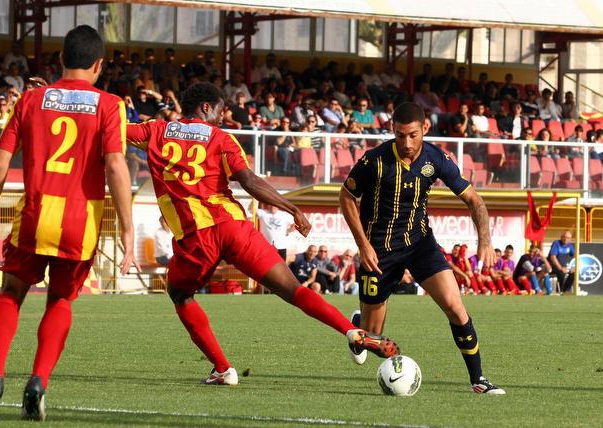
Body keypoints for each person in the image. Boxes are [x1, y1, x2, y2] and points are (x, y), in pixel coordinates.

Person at [126, 82, 398, 385]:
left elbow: (115, 130)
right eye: (220, 110)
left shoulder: (156, 130)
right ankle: (354, 332)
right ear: (205, 107)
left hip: (196, 237)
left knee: (180, 295)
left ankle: (222, 369)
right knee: (293, 289)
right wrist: (291, 208)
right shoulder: (221, 138)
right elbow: (248, 180)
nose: (221, 116)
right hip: (234, 228)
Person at [0, 26, 136, 421]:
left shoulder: (31, 99)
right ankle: (38, 381)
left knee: (11, 294)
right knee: (61, 300)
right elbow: (115, 166)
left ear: (61, 60)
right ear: (99, 65)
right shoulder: (111, 105)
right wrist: (128, 230)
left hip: (34, 216)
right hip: (82, 222)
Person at [339, 102, 505, 394]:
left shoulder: (437, 159)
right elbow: (346, 196)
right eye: (400, 135)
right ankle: (361, 323)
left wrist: (486, 241)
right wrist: (363, 245)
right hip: (380, 250)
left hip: (420, 244)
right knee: (372, 339)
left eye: (413, 135)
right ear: (392, 130)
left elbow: (475, 200)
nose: (406, 143)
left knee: (456, 307)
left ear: (424, 129)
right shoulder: (374, 161)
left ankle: (478, 380)